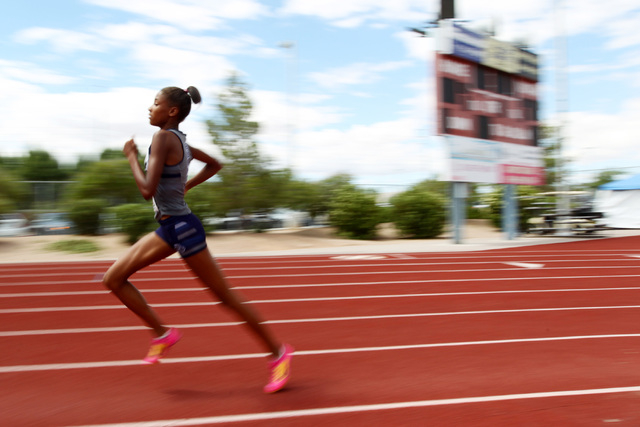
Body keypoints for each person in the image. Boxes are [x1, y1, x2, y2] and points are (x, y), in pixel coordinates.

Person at [102, 86, 292, 393]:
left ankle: (278, 353)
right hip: (169, 227)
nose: (150, 109)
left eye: (155, 104)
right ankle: (162, 334)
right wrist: (185, 186)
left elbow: (147, 190)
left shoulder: (164, 138)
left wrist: (131, 158)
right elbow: (215, 164)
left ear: (172, 111)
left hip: (183, 229)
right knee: (113, 278)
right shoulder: (182, 141)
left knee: (226, 298)